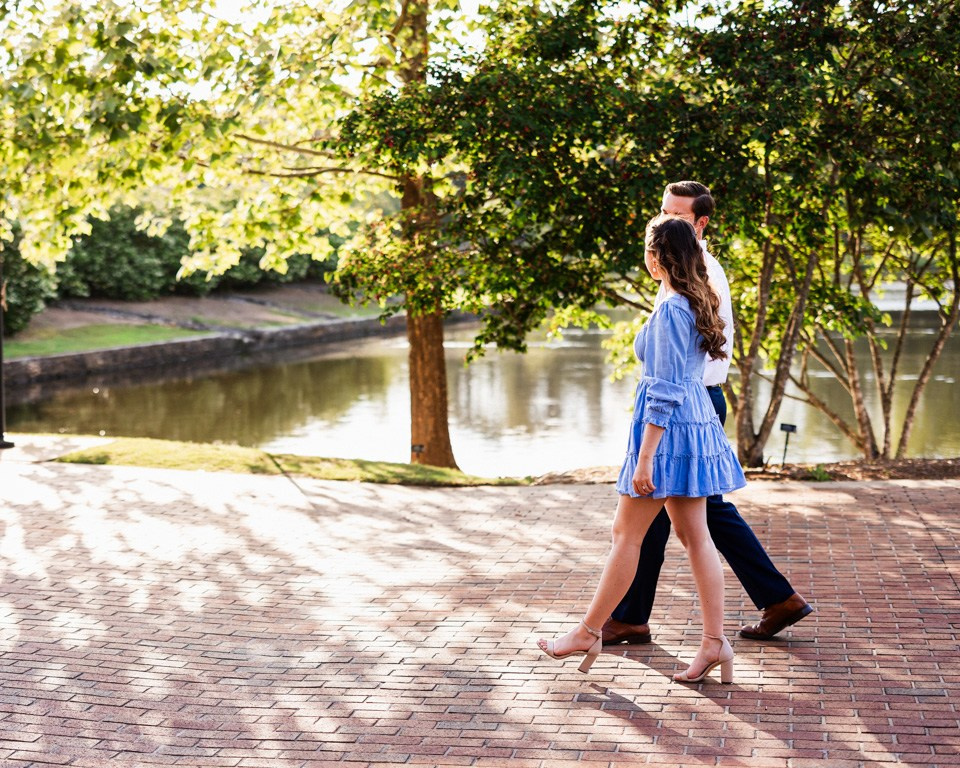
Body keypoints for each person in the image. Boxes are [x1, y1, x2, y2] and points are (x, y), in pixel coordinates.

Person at [536, 217, 746, 683]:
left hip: (668, 433)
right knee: (697, 539)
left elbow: (665, 389)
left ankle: (587, 631)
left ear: (657, 257)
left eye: (646, 250)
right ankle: (715, 643)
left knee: (626, 535)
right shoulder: (694, 299)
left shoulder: (673, 309)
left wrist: (647, 456)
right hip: (692, 425)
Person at [603, 181, 813, 648]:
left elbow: (679, 367)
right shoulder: (682, 274)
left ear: (699, 225)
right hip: (685, 405)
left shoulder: (699, 275)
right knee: (667, 519)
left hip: (688, 407)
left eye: (675, 218)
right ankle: (634, 617)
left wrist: (649, 442)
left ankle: (774, 599)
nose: (663, 224)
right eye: (662, 213)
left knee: (697, 516)